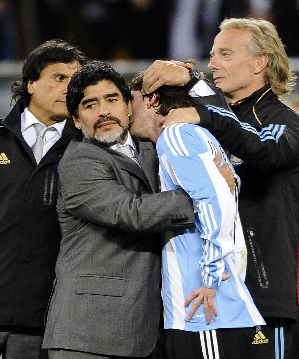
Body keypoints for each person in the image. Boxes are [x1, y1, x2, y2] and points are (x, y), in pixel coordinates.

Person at [141, 17, 299, 359]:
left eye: (225, 54)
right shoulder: (213, 120)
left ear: (260, 62)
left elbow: (261, 148)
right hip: (214, 296)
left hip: (264, 294)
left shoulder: (285, 123)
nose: (212, 64)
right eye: (211, 55)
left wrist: (195, 90)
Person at [42, 60, 197, 359]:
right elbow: (130, 212)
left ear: (128, 105)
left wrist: (193, 86)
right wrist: (205, 196)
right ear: (76, 120)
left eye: (111, 99)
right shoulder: (79, 161)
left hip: (145, 331)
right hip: (87, 336)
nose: (103, 112)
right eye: (90, 105)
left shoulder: (152, 148)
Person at [129, 74, 265, 359]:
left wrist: (210, 278)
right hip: (206, 309)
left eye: (132, 100)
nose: (127, 111)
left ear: (153, 100)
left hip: (204, 309)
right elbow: (225, 191)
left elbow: (214, 203)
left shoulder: (175, 135)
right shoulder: (194, 135)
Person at [0, 39, 87, 359]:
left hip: (46, 321)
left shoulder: (87, 149)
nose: (69, 88)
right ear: (31, 84)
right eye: (59, 78)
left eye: (76, 81)